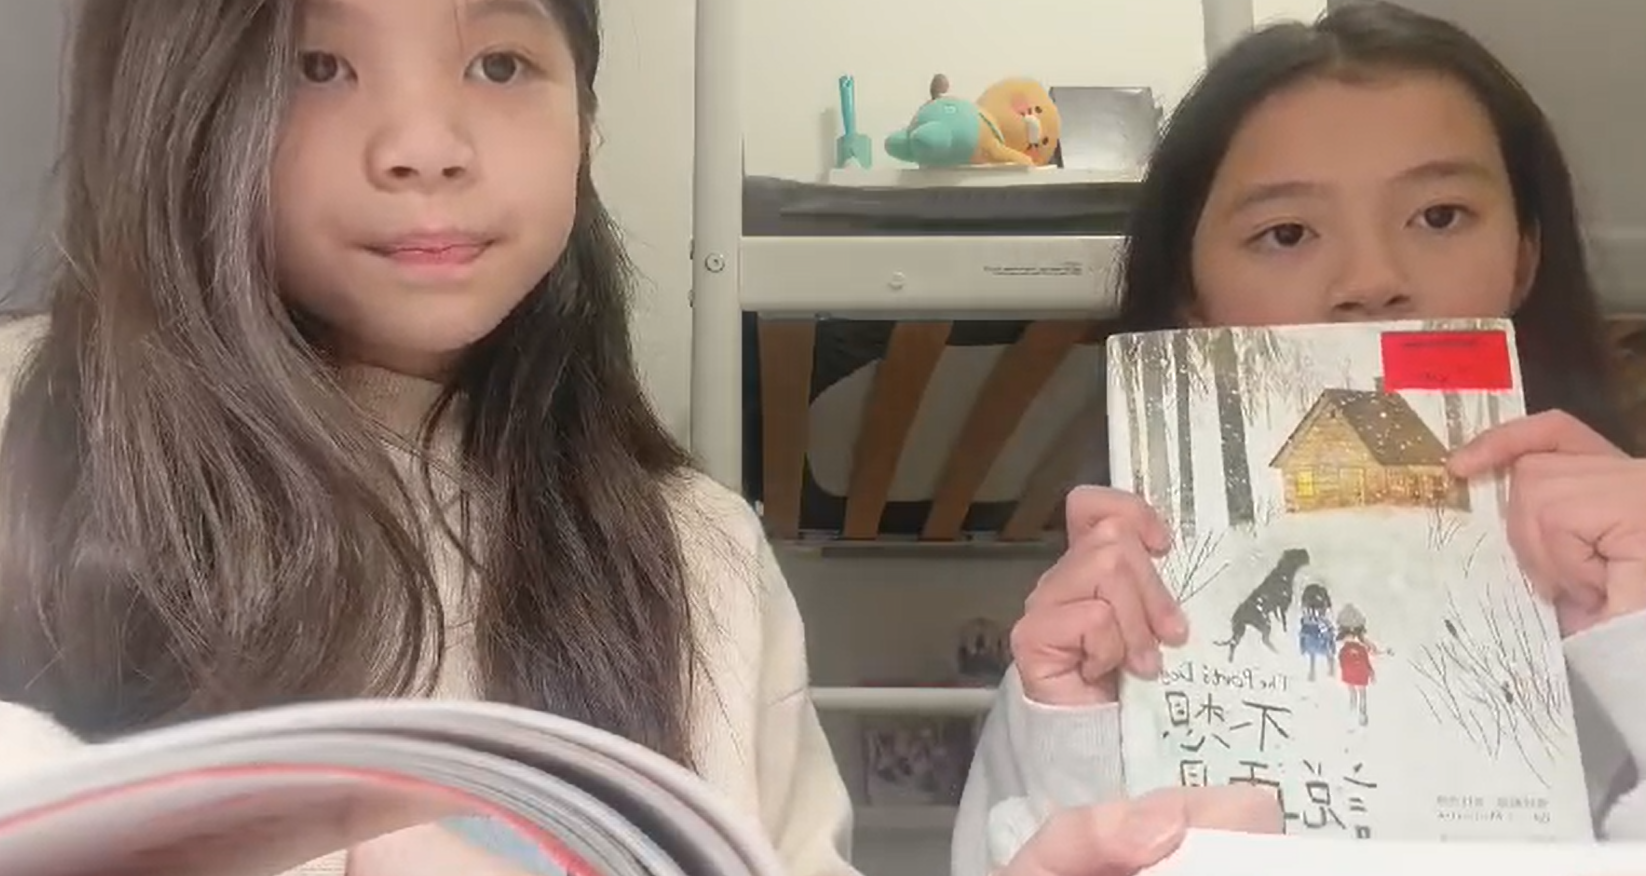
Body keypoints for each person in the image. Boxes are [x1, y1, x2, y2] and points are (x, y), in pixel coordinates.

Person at [0, 2, 1277, 876]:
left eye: (500, 64)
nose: (424, 148)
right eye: (316, 65)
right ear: (180, 104)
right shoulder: (24, 427)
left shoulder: (696, 551)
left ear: (586, 124)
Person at [955, 3, 1646, 873]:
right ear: (1192, 299)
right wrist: (1077, 744)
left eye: (1440, 216)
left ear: (1524, 257)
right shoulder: (1080, 658)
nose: (1372, 280)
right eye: (1285, 234)